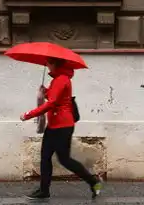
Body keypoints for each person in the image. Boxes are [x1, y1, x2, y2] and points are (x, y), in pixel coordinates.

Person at [20, 57, 102, 199]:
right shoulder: (57, 79)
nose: (47, 65)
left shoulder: (62, 79)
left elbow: (52, 103)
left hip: (63, 126)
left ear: (55, 64)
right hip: (53, 126)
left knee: (65, 160)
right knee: (45, 157)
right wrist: (45, 91)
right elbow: (55, 98)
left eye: (48, 63)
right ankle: (44, 191)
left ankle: (94, 181)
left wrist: (28, 114)